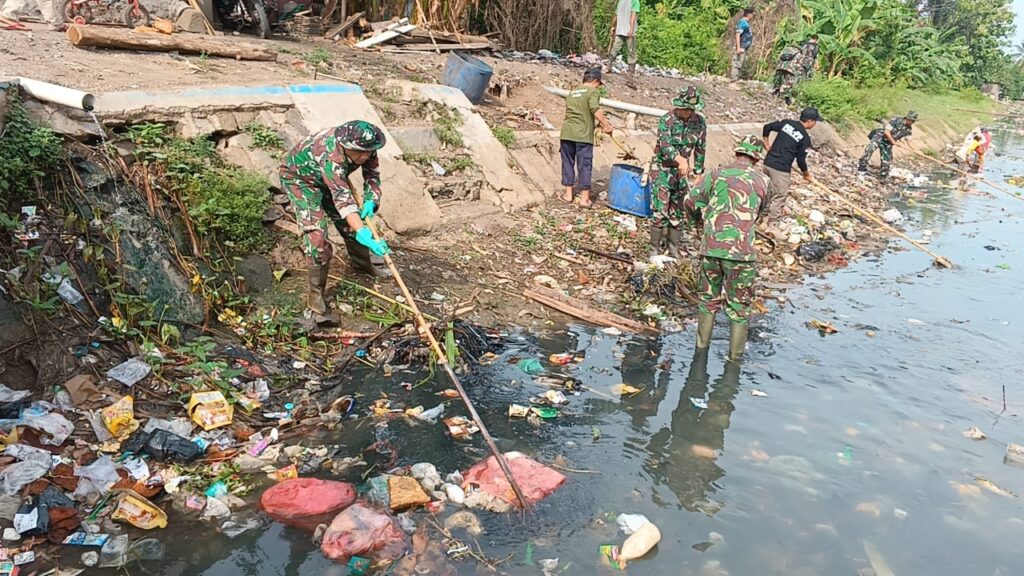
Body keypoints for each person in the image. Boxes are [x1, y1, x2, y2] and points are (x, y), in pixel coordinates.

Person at [279, 120, 392, 323]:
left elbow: (372, 175)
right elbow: (343, 199)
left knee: (350, 225)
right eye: (360, 153)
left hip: (331, 181)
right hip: (301, 181)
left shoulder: (366, 147)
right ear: (346, 146)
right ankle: (315, 295)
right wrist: (362, 231)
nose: (365, 156)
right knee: (317, 238)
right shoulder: (330, 155)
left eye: (369, 152)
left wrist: (371, 200)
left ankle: (362, 264)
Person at [683, 136, 770, 361]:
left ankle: (700, 353)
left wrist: (697, 224)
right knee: (740, 309)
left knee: (707, 301)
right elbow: (761, 211)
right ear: (756, 157)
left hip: (711, 249)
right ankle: (734, 361)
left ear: (737, 152)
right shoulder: (763, 180)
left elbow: (690, 201)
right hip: (742, 254)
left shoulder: (715, 174)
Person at [650, 86, 708, 257]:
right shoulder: (666, 120)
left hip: (681, 173)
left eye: (692, 110)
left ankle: (673, 249)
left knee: (678, 211)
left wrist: (698, 173)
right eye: (686, 109)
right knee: (661, 210)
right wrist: (680, 160)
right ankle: (654, 251)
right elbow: (665, 146)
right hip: (663, 168)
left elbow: (700, 148)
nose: (689, 113)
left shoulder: (699, 122)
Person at [559, 68, 614, 207]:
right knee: (584, 165)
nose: (598, 87)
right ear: (595, 81)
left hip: (566, 132)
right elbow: (595, 109)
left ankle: (568, 194)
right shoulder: (592, 92)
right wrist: (606, 125)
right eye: (599, 85)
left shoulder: (573, 92)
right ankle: (584, 199)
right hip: (582, 134)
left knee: (567, 163)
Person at [761, 108, 819, 221]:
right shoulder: (804, 138)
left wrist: (767, 144)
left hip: (767, 163)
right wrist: (806, 174)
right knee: (779, 196)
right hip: (781, 170)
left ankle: (761, 217)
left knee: (767, 192)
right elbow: (801, 160)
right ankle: (773, 224)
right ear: (810, 121)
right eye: (815, 121)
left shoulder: (787, 123)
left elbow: (767, 127)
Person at [858, 111, 917, 180]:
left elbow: (909, 141)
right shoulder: (896, 120)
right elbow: (886, 131)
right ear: (907, 118)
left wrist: (916, 150)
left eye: (913, 121)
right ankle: (862, 168)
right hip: (880, 137)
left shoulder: (908, 129)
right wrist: (894, 142)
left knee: (886, 162)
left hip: (888, 144)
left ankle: (882, 177)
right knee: (870, 149)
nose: (912, 122)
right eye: (911, 120)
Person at [609, 0, 640, 76]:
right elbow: (633, 16)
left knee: (615, 48)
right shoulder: (635, 1)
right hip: (628, 31)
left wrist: (613, 27)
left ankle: (608, 67)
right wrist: (631, 29)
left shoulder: (621, 1)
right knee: (631, 50)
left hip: (619, 29)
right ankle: (631, 72)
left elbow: (616, 16)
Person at [731, 8, 755, 81]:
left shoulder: (746, 23)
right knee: (737, 63)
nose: (753, 16)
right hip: (740, 47)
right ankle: (734, 79)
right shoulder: (743, 23)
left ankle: (736, 78)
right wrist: (738, 47)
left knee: (740, 63)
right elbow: (737, 34)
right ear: (749, 14)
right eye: (752, 14)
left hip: (743, 47)